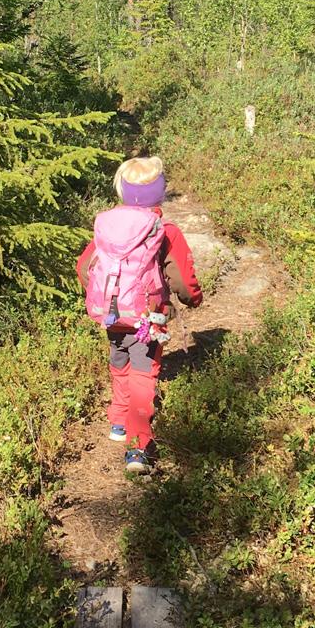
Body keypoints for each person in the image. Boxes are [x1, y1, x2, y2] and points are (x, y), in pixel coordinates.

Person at [77, 156, 203, 473]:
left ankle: (118, 422)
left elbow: (84, 267)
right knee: (143, 372)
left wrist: (107, 297)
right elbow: (183, 280)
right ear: (159, 193)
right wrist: (193, 299)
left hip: (111, 312)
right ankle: (138, 448)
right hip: (147, 316)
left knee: (119, 361)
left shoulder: (107, 225)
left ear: (122, 190)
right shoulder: (165, 230)